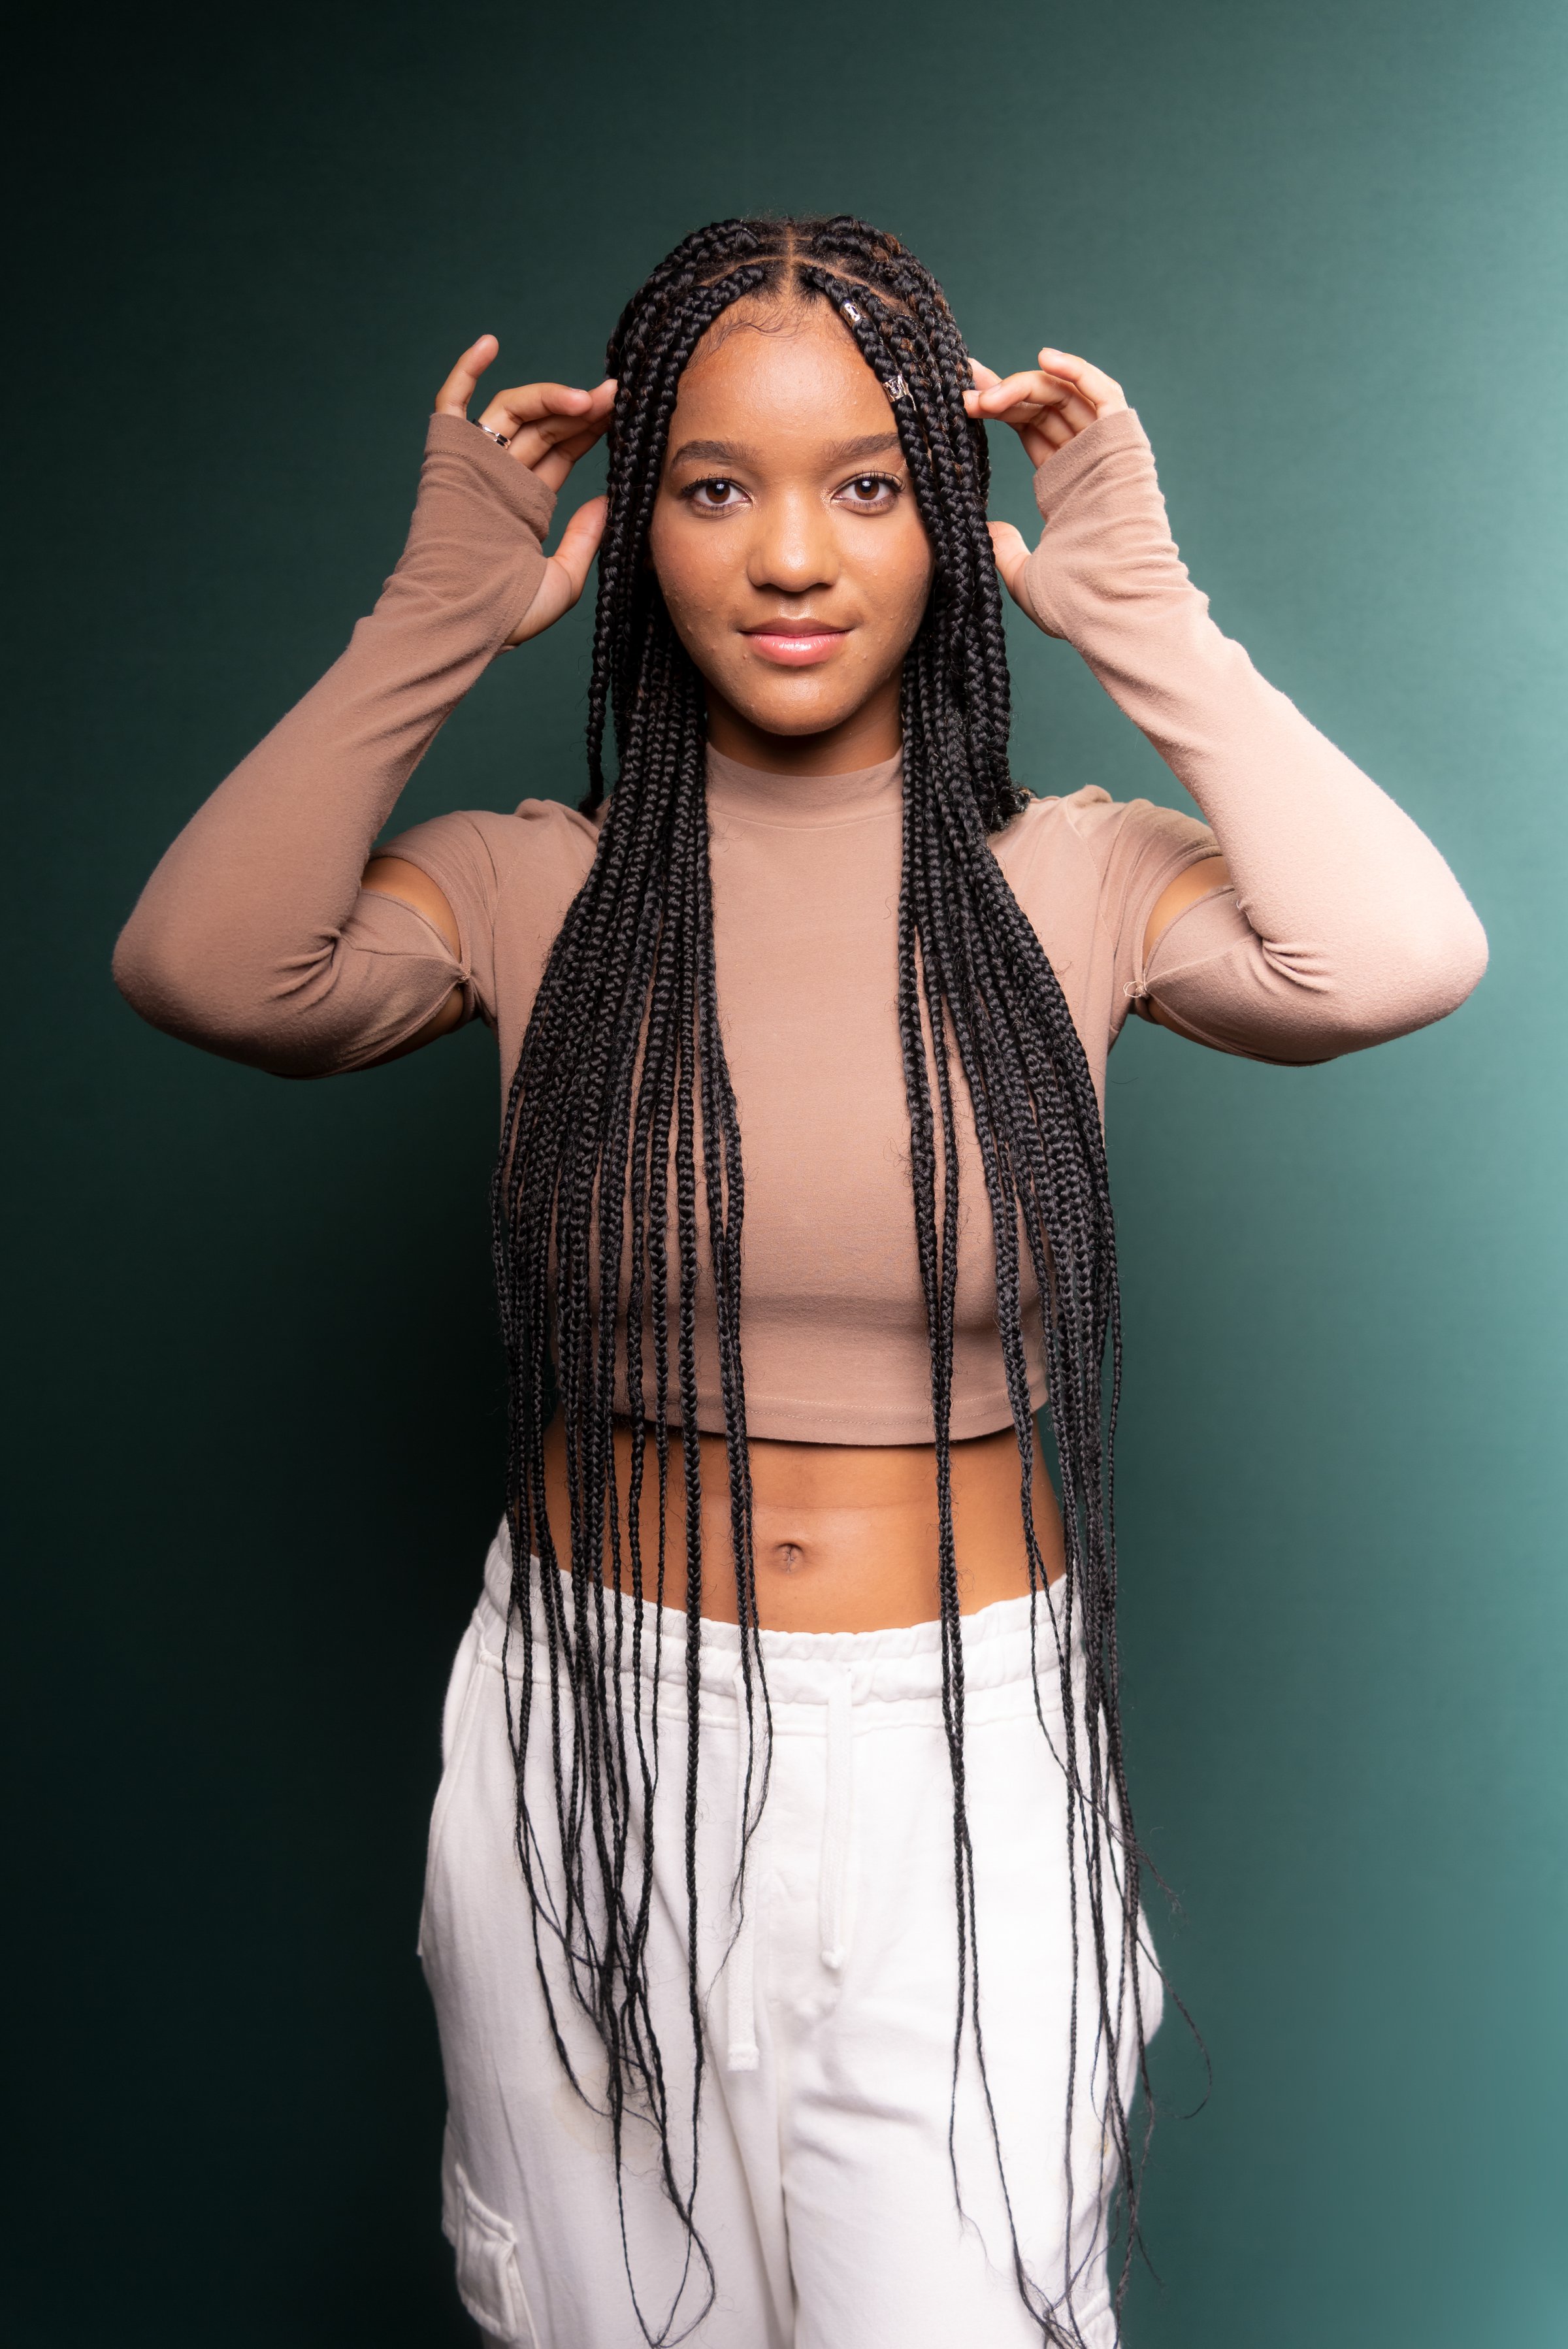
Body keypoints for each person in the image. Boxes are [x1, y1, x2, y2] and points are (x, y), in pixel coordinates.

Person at [112, 216, 1486, 2349]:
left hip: (962, 1751)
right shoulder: (530, 884)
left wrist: (1149, 615)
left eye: (865, 484)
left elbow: (1399, 955)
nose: (789, 556)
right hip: (591, 1725)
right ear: (639, 533)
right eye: (713, 486)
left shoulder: (1077, 876)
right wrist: (433, 616)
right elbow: (202, 966)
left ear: (947, 525)